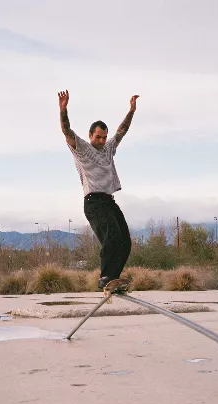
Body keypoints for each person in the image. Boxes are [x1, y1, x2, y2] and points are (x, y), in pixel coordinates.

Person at [58, 89, 139, 290]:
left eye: (104, 137)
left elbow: (122, 131)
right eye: (98, 137)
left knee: (125, 241)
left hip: (109, 201)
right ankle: (105, 277)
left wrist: (131, 111)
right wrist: (63, 110)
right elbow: (67, 131)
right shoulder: (83, 148)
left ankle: (113, 279)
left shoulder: (109, 148)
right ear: (90, 135)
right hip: (93, 202)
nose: (102, 141)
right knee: (111, 236)